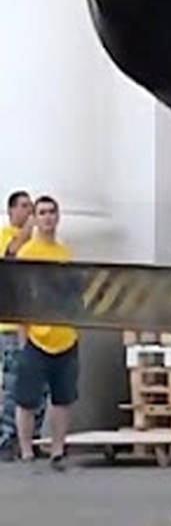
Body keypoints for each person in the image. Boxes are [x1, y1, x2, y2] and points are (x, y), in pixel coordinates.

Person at [14, 196, 78, 471]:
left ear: (58, 217)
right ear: (35, 219)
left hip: (65, 337)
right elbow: (19, 298)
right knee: (27, 399)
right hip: (36, 337)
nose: (48, 217)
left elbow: (73, 295)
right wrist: (23, 337)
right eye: (42, 213)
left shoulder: (65, 254)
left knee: (63, 398)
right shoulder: (27, 253)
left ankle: (57, 450)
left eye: (52, 212)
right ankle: (26, 450)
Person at [0, 191, 45, 460]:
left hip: (38, 327)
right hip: (9, 326)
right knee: (14, 385)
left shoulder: (40, 244)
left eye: (32, 207)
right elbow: (11, 256)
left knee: (39, 386)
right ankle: (7, 439)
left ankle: (31, 438)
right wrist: (28, 229)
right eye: (24, 207)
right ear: (11, 211)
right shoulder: (6, 235)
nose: (29, 212)